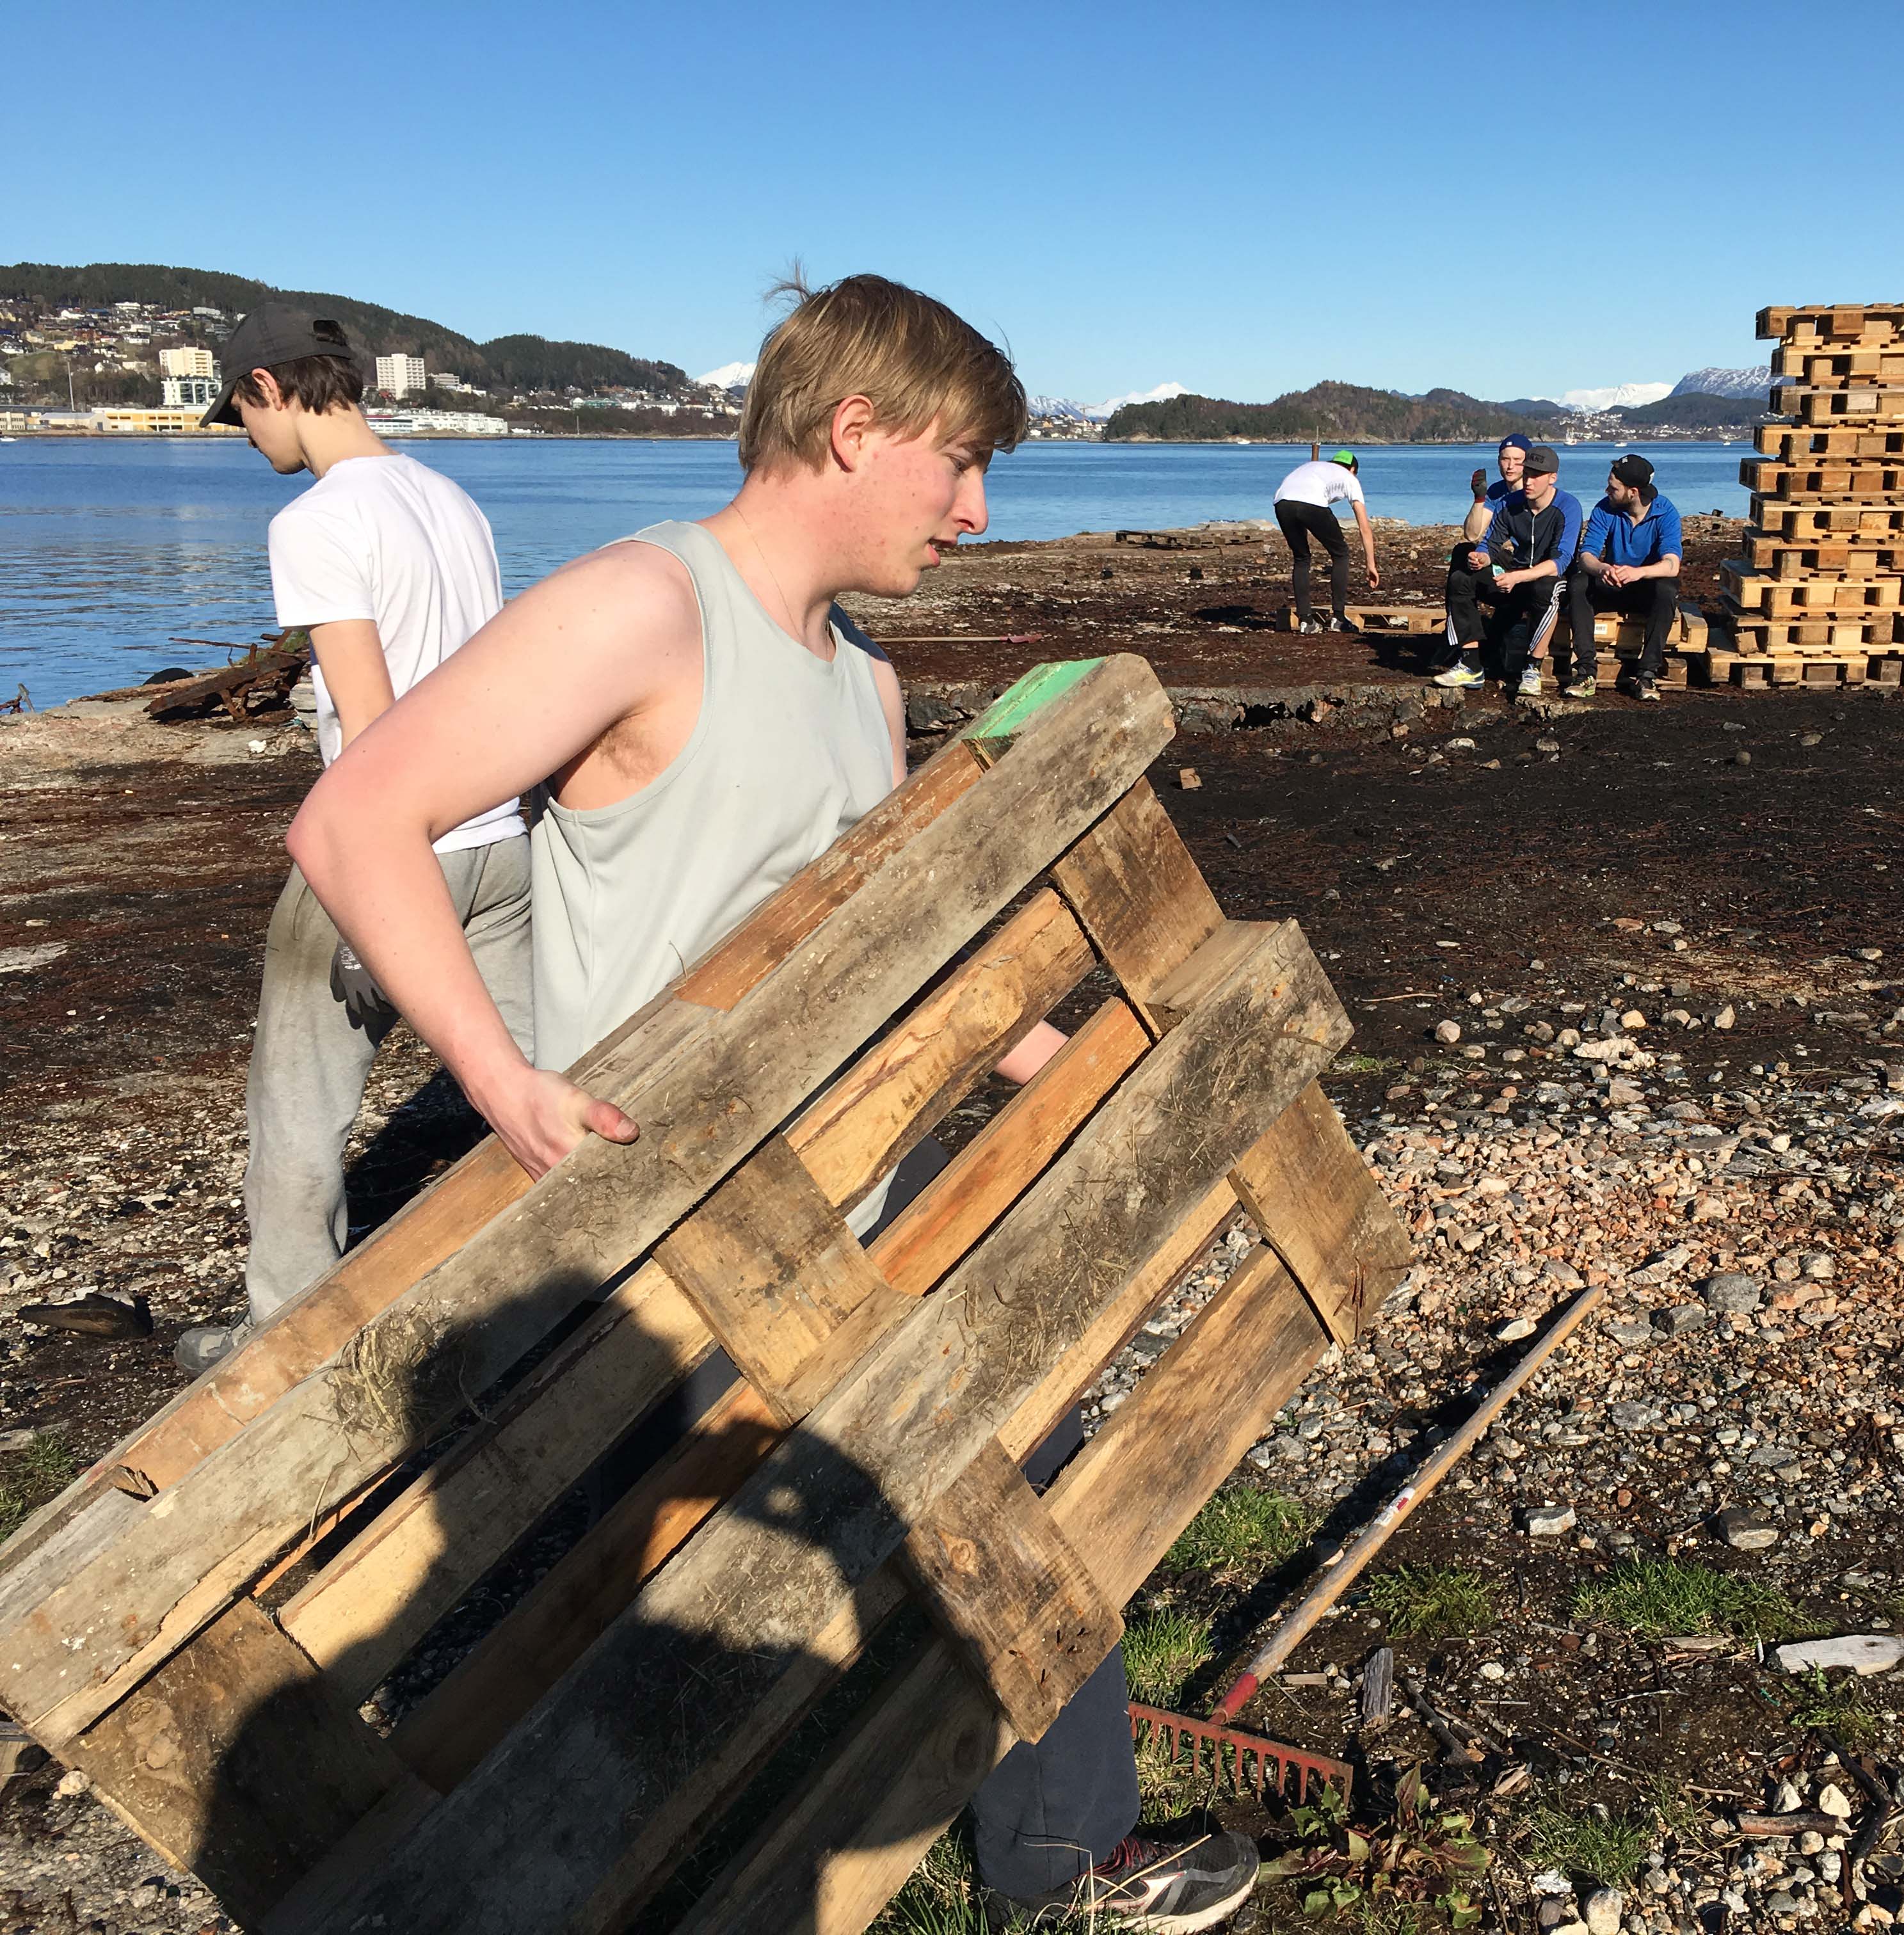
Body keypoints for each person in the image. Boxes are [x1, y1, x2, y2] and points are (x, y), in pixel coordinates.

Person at [285, 273, 1261, 1933]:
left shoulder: (863, 684)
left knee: (1031, 1442)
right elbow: (356, 819)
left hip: (850, 1214)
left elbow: (879, 965)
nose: (977, 509)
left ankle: (1059, 1852)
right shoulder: (641, 609)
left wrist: (1079, 1070)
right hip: (657, 1259)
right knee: (670, 1644)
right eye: (959, 462)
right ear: (852, 427)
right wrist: (498, 1073)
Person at [173, 303, 534, 1375]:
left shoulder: (319, 521)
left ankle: (283, 1338)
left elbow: (373, 730)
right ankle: (573, 1295)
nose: (247, 438)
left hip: (390, 843)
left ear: (271, 387)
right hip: (501, 833)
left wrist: (379, 896)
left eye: (241, 411)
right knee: (529, 1077)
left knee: (299, 1100)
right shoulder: (452, 500)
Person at [1431, 443, 1575, 697]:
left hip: (1549, 580)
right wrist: (1482, 558)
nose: (1529, 481)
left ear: (1552, 478)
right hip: (1516, 573)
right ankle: (1471, 663)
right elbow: (1490, 542)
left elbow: (1561, 561)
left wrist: (1517, 577)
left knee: (1547, 586)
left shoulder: (1567, 506)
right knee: (1461, 578)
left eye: (1536, 476)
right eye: (1527, 474)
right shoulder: (1510, 503)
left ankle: (1532, 668)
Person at [1567, 452, 1685, 701]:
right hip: (1612, 584)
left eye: (1613, 487)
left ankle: (1647, 673)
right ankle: (1586, 669)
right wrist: (1603, 569)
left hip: (1644, 588)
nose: (1606, 490)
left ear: (1633, 492)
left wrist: (1638, 573)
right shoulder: (1605, 508)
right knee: (1579, 583)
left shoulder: (1666, 512)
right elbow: (1586, 555)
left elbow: (1671, 565)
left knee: (1667, 589)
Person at [1432, 431, 1530, 678]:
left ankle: (1458, 640)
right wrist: (1479, 497)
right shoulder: (1496, 492)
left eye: (1517, 460)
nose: (1510, 466)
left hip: (1525, 566)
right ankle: (1462, 642)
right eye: (1505, 459)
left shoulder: (1533, 491)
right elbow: (1473, 534)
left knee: (1462, 575)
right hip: (1497, 559)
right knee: (1462, 557)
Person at [1271, 447, 1378, 632]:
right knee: (1341, 554)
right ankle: (1338, 618)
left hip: (1282, 503)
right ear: (1352, 469)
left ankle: (1306, 621)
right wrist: (1371, 565)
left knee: (1302, 558)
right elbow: (1364, 528)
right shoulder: (1349, 478)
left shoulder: (1314, 467)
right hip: (1311, 505)